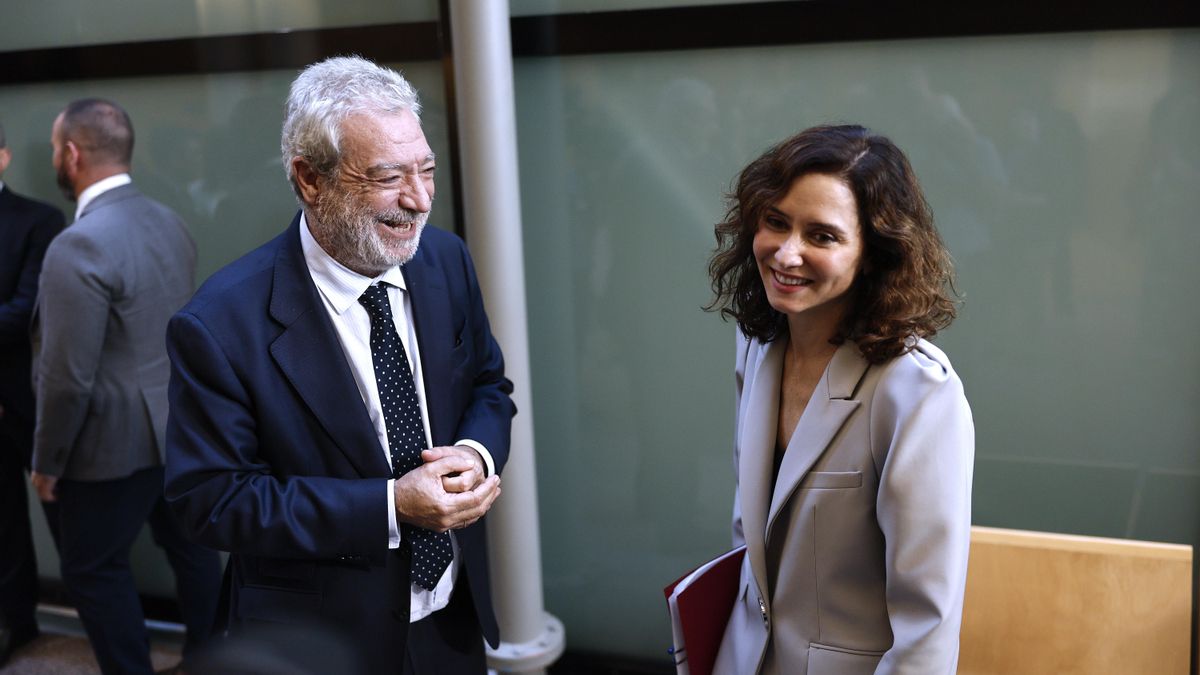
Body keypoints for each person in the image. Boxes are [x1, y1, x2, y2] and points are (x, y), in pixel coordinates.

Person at [163, 56, 513, 675]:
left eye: (427, 170)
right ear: (309, 179)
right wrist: (389, 506)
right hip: (316, 644)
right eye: (387, 177)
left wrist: (475, 453)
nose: (419, 199)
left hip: (450, 622)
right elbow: (211, 501)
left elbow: (488, 382)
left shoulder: (446, 260)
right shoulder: (219, 324)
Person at [706, 124, 974, 674]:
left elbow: (929, 624)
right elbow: (751, 538)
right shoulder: (759, 343)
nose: (786, 253)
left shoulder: (917, 390)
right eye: (776, 222)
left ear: (874, 254)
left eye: (822, 236)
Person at [30, 98, 221, 675]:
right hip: (179, 427)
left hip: (107, 445)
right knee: (192, 553)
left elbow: (66, 377)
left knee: (92, 569)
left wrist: (46, 462)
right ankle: (216, 660)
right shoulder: (170, 218)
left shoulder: (76, 244)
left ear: (71, 154)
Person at [0, 121, 64, 667]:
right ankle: (15, 624)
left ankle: (98, 624)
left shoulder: (38, 220)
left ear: (2, 156)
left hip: (32, 399)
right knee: (1, 523)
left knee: (65, 518)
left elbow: (26, 312)